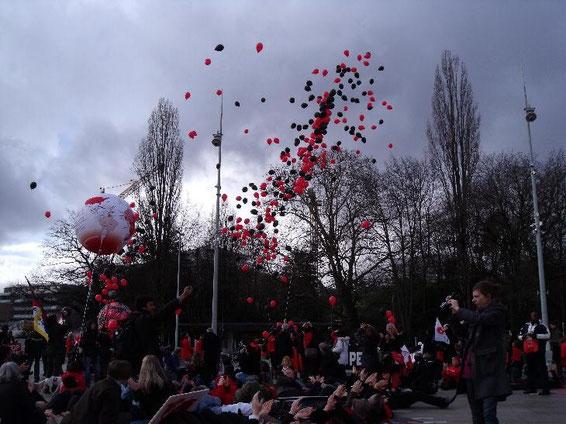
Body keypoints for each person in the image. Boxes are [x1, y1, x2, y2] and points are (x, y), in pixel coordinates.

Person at [447, 280, 511, 424]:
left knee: (488, 415)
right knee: (477, 416)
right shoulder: (476, 313)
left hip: (488, 371)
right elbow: (463, 332)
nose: (473, 300)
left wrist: (459, 310)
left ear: (488, 296)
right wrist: (454, 316)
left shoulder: (498, 311)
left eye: (477, 296)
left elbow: (482, 320)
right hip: (471, 371)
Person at [117, 286, 193, 373]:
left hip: (137, 362)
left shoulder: (132, 319)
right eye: (151, 305)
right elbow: (163, 313)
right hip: (146, 363)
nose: (154, 307)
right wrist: (182, 297)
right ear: (144, 307)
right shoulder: (145, 320)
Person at [63, 359, 132, 424]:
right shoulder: (111, 391)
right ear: (124, 377)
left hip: (74, 419)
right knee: (127, 417)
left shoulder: (101, 383)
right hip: (85, 421)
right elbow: (106, 419)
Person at [127, 355, 177, 421]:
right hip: (168, 416)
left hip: (152, 418)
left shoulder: (144, 385)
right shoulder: (168, 382)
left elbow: (149, 407)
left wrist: (137, 391)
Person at [518, 311, 550, 395]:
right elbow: (519, 336)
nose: (533, 318)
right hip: (529, 351)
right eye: (532, 316)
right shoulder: (526, 325)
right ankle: (531, 388)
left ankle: (545, 389)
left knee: (542, 369)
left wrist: (536, 336)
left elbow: (547, 335)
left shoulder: (542, 326)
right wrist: (524, 337)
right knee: (530, 369)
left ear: (537, 317)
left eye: (535, 316)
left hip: (539, 351)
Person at [80, 320, 101, 387]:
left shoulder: (97, 333)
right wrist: (94, 343)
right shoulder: (86, 333)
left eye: (94, 324)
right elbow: (83, 343)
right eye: (92, 324)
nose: (93, 326)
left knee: (97, 370)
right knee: (87, 370)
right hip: (88, 354)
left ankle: (96, 384)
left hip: (95, 353)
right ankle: (87, 385)